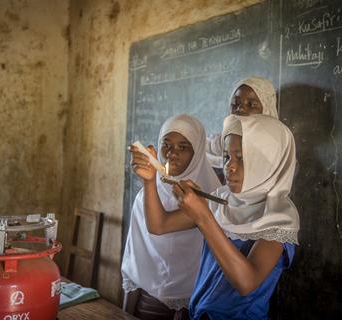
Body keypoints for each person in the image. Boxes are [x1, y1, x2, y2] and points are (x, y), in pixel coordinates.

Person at [136, 114, 299, 319]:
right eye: (226, 157)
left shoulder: (279, 218)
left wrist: (203, 216)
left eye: (241, 157)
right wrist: (150, 181)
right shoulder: (221, 199)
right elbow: (159, 225)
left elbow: (246, 282)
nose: (229, 166)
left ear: (268, 162)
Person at [122, 114, 221, 319]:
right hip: (149, 298)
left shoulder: (210, 195)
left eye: (183, 147)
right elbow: (135, 260)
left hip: (194, 300)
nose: (171, 154)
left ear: (198, 153)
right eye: (165, 144)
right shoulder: (144, 196)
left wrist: (149, 183)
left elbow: (159, 225)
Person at [206, 76, 279, 170]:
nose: (240, 108)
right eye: (235, 103)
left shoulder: (277, 151)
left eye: (251, 105)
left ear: (267, 109)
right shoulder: (221, 143)